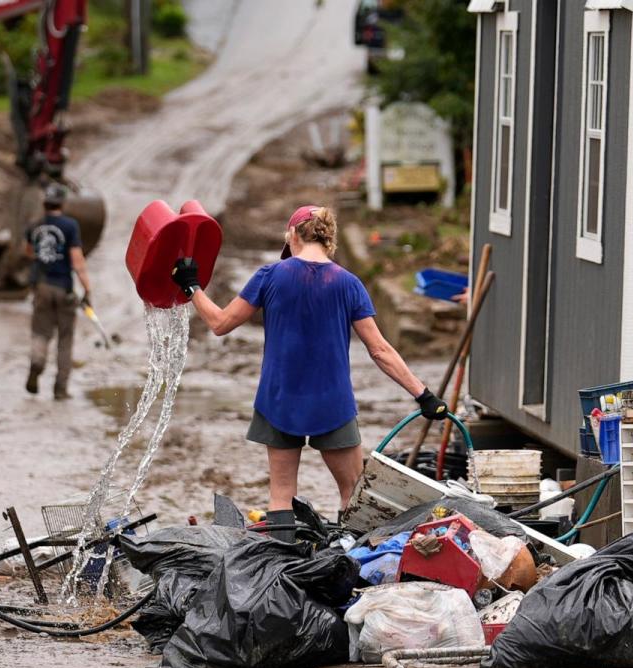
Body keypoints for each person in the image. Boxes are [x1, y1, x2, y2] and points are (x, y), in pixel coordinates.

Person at [171, 205, 448, 540]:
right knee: (352, 494)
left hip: (279, 400)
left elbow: (219, 324)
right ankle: (350, 567)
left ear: (292, 236)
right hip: (332, 403)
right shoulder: (349, 284)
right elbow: (380, 350)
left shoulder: (270, 276)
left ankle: (278, 574)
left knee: (281, 493)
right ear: (328, 240)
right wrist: (423, 394)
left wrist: (192, 287)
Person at [24, 184, 92, 400]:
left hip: (42, 287)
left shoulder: (34, 227)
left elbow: (28, 253)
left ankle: (37, 362)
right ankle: (60, 389)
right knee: (65, 338)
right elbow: (77, 261)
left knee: (41, 332)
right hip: (64, 288)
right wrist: (87, 288)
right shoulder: (70, 226)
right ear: (62, 203)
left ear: (44, 203)